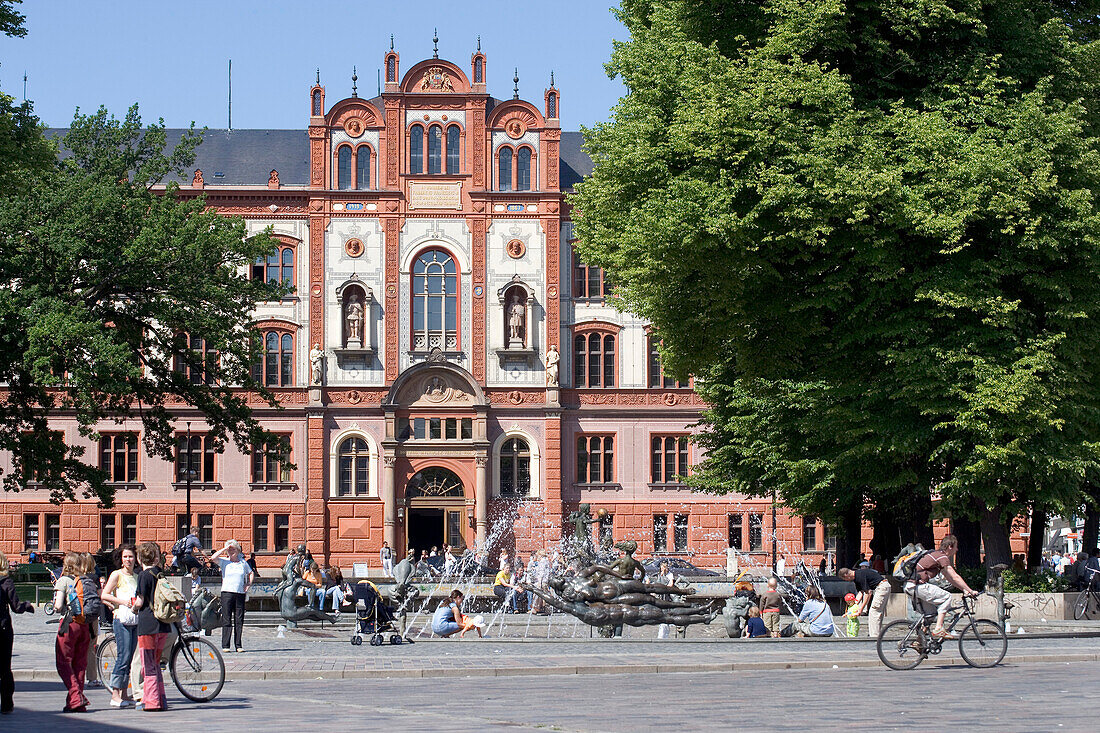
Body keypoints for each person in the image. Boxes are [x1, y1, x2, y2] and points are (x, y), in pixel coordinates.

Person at [903, 534, 978, 640]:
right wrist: (970, 591)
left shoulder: (937, 555)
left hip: (911, 586)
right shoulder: (942, 556)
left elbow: (950, 579)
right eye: (956, 547)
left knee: (931, 614)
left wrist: (964, 589)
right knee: (947, 596)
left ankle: (920, 641)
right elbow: (955, 576)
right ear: (950, 547)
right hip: (917, 586)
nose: (957, 550)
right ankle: (938, 628)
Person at [131, 542, 170, 711]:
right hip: (163, 625)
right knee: (155, 663)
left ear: (140, 558)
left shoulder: (143, 575)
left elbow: (140, 602)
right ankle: (161, 699)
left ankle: (152, 702)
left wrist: (132, 607)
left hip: (148, 624)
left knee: (148, 665)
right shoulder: (160, 574)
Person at [100, 545, 139, 708]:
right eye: (125, 557)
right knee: (123, 656)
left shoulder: (137, 576)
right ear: (120, 559)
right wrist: (121, 602)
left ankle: (124, 693)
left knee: (130, 658)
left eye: (130, 557)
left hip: (134, 619)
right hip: (121, 619)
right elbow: (104, 594)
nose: (128, 560)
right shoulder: (117, 575)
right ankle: (115, 694)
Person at [53, 552, 92, 712]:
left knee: (63, 662)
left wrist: (57, 605)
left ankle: (76, 697)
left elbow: (58, 605)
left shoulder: (64, 580)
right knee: (80, 664)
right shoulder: (85, 580)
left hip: (69, 625)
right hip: (84, 625)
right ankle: (75, 704)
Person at [1, 550, 34, 715]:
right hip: (3, 629)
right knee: (5, 668)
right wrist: (27, 606)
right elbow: (16, 607)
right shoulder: (6, 581)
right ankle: (7, 704)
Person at [210, 539, 254, 653]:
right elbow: (213, 558)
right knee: (226, 619)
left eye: (233, 549)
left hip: (239, 593)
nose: (231, 551)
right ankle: (226, 645)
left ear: (238, 550)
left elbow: (251, 573)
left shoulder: (243, 563)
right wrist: (225, 548)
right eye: (230, 550)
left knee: (239, 619)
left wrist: (248, 584)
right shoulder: (224, 561)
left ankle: (238, 645)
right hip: (227, 593)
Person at [837, 563, 891, 638]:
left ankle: (874, 636)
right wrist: (854, 604)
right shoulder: (856, 578)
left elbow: (867, 593)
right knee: (877, 612)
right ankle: (877, 633)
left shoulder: (859, 576)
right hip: (881, 587)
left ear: (846, 575)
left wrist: (861, 609)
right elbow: (860, 592)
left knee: (874, 611)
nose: (846, 581)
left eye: (845, 579)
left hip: (882, 587)